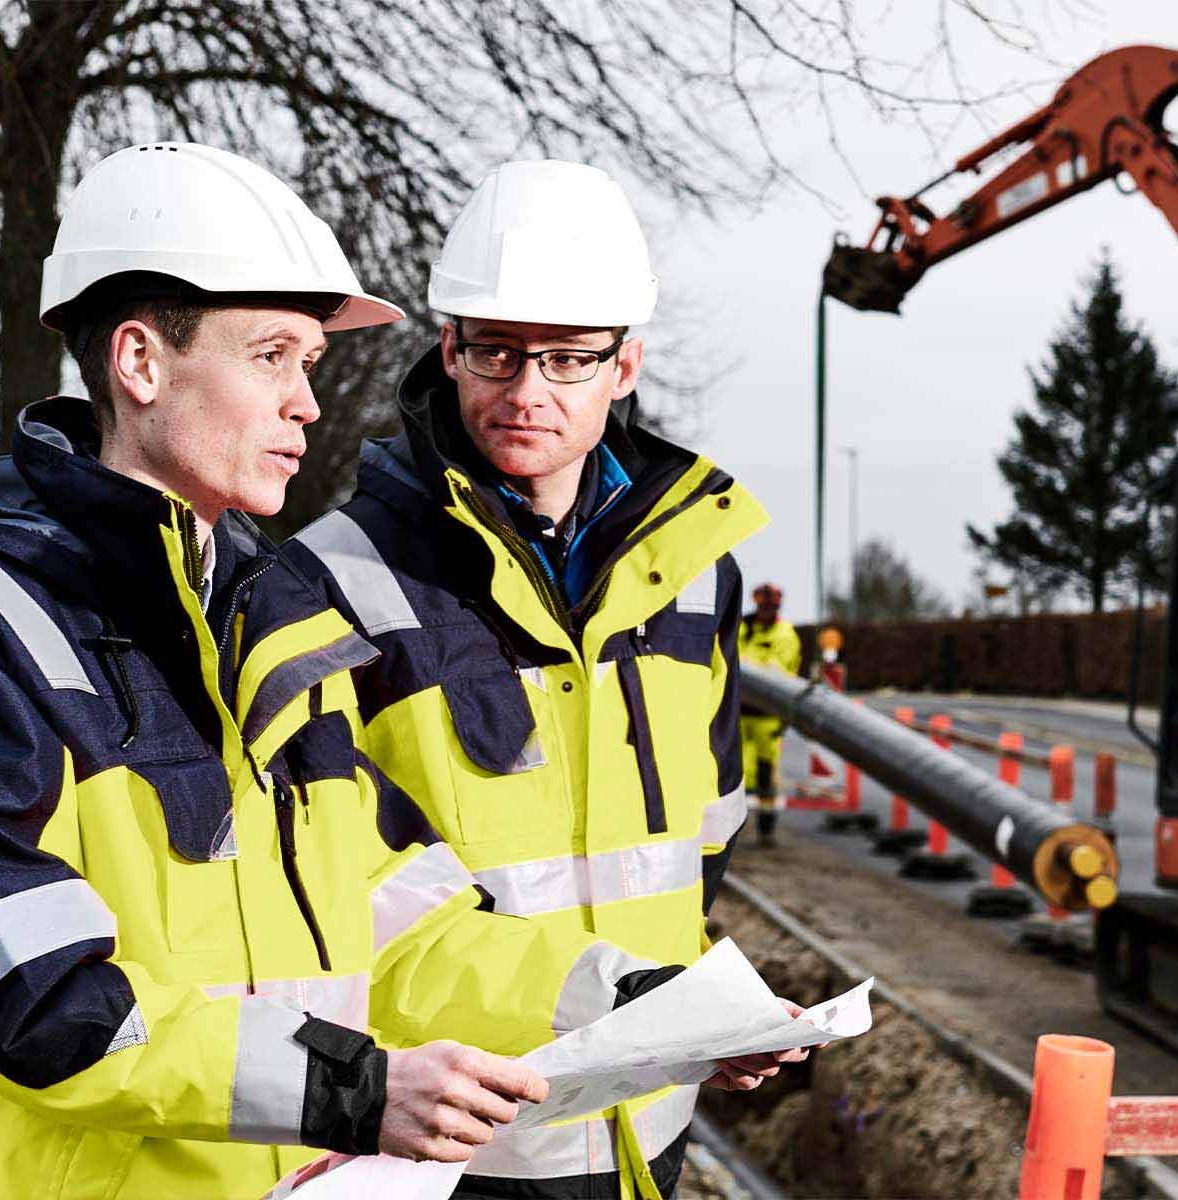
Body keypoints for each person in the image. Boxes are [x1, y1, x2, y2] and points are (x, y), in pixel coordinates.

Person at [0, 144, 688, 1199]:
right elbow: (33, 997)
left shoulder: (276, 629)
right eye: (272, 357)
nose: (307, 405)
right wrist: (356, 1090)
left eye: (309, 365)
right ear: (141, 364)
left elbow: (396, 923)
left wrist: (624, 996)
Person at [284, 159, 787, 1200]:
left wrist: (691, 1011)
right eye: (498, 354)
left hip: (648, 1118)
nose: (527, 395)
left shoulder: (696, 575)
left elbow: (705, 833)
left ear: (626, 363)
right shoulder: (329, 578)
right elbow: (341, 888)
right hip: (450, 1136)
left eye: (566, 361)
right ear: (448, 349)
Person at [737, 583, 804, 846]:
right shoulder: (741, 628)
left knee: (766, 773)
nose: (767, 610)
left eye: (771, 606)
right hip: (739, 714)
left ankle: (766, 831)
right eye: (764, 605)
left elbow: (782, 672)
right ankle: (730, 830)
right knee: (731, 772)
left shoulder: (784, 634)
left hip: (767, 716)